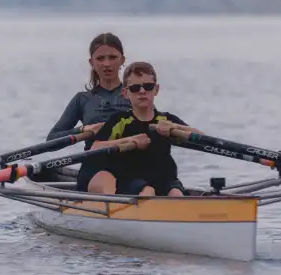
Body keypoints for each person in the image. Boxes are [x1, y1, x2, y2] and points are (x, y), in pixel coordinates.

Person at [77, 61, 203, 197]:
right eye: (135, 88)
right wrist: (131, 140)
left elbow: (201, 139)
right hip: (131, 179)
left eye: (148, 86)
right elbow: (95, 148)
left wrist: (176, 127)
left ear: (156, 90)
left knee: (176, 194)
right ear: (125, 93)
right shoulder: (120, 120)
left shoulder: (167, 121)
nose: (142, 91)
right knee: (148, 192)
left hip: (164, 179)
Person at [46, 32, 133, 140]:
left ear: (122, 60)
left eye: (112, 57)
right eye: (100, 58)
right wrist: (83, 129)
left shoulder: (136, 94)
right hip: (95, 155)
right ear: (91, 62)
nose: (106, 64)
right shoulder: (82, 99)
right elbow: (51, 139)